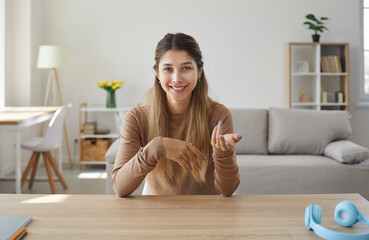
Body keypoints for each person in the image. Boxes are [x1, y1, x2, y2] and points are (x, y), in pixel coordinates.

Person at [112, 33, 242, 197]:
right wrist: (156, 147)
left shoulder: (218, 115)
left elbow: (228, 190)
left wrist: (223, 154)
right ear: (158, 74)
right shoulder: (137, 118)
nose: (176, 78)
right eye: (168, 69)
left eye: (186, 68)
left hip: (207, 215)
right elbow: (119, 187)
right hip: (157, 215)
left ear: (199, 71)